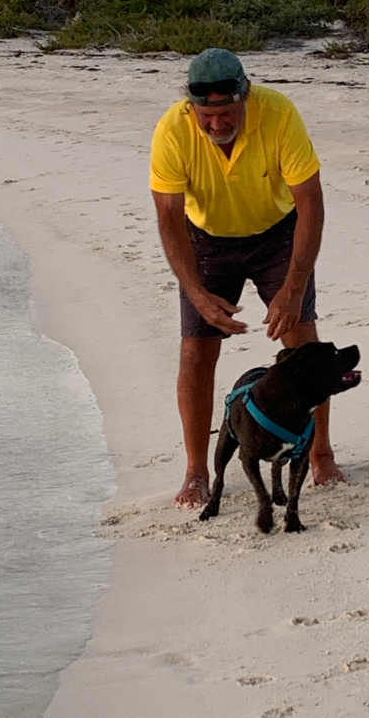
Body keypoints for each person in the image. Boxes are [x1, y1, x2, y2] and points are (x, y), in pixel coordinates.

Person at [150, 48, 344, 509]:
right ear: (191, 106)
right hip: (207, 239)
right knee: (197, 351)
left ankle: (321, 452)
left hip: (277, 233)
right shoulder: (173, 130)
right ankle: (198, 470)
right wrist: (197, 294)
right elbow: (168, 219)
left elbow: (311, 206)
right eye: (207, 115)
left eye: (227, 112)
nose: (218, 124)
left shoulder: (279, 115)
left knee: (301, 345)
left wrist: (293, 289)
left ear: (246, 96)